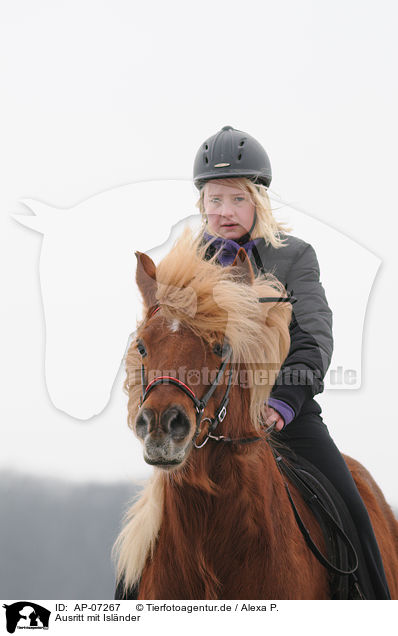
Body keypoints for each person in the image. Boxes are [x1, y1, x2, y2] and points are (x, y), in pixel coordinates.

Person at [193, 125, 391, 600]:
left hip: (286, 418)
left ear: (257, 201)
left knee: (355, 512)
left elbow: (314, 339)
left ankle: (380, 610)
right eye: (214, 200)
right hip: (204, 423)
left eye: (236, 200)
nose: (224, 212)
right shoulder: (188, 262)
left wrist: (283, 403)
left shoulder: (295, 257)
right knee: (151, 534)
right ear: (201, 203)